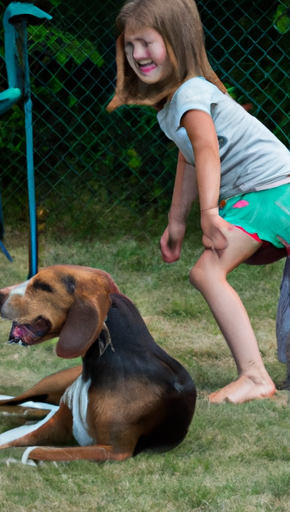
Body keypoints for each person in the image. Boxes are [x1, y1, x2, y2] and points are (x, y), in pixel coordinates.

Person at [107, 0, 290, 404]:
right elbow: (189, 155)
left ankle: (255, 378)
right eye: (130, 45)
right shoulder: (177, 102)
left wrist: (208, 213)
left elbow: (206, 149)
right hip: (275, 190)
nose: (137, 55)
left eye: (147, 43)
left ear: (177, 40)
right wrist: (177, 221)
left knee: (207, 272)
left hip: (274, 191)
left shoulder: (190, 93)